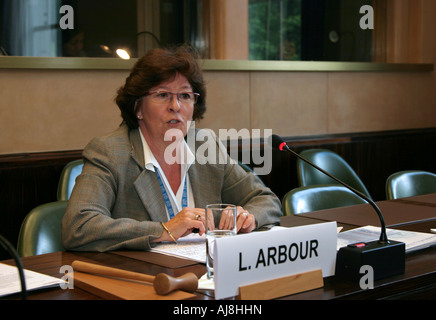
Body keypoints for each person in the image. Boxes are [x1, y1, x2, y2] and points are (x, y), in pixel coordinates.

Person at [61, 45, 282, 252]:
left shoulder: (205, 146)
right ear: (138, 107)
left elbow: (266, 199)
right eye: (162, 95)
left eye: (185, 96)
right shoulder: (110, 152)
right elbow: (79, 226)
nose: (175, 106)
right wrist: (163, 230)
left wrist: (247, 216)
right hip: (143, 280)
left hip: (203, 276)